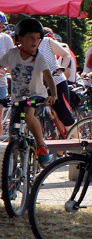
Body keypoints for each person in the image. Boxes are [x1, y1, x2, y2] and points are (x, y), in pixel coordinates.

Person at [0, 18, 57, 164]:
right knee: (13, 128)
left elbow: (49, 77)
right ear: (20, 38)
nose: (35, 41)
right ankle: (13, 164)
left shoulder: (38, 58)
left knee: (28, 112)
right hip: (18, 98)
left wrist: (53, 94)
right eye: (31, 37)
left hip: (36, 97)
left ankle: (41, 144)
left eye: (38, 38)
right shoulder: (12, 54)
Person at [37, 30, 76, 133]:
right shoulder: (27, 47)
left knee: (64, 114)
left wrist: (61, 68)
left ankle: (78, 140)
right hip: (42, 86)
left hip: (57, 82)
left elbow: (66, 55)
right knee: (53, 116)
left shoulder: (47, 42)